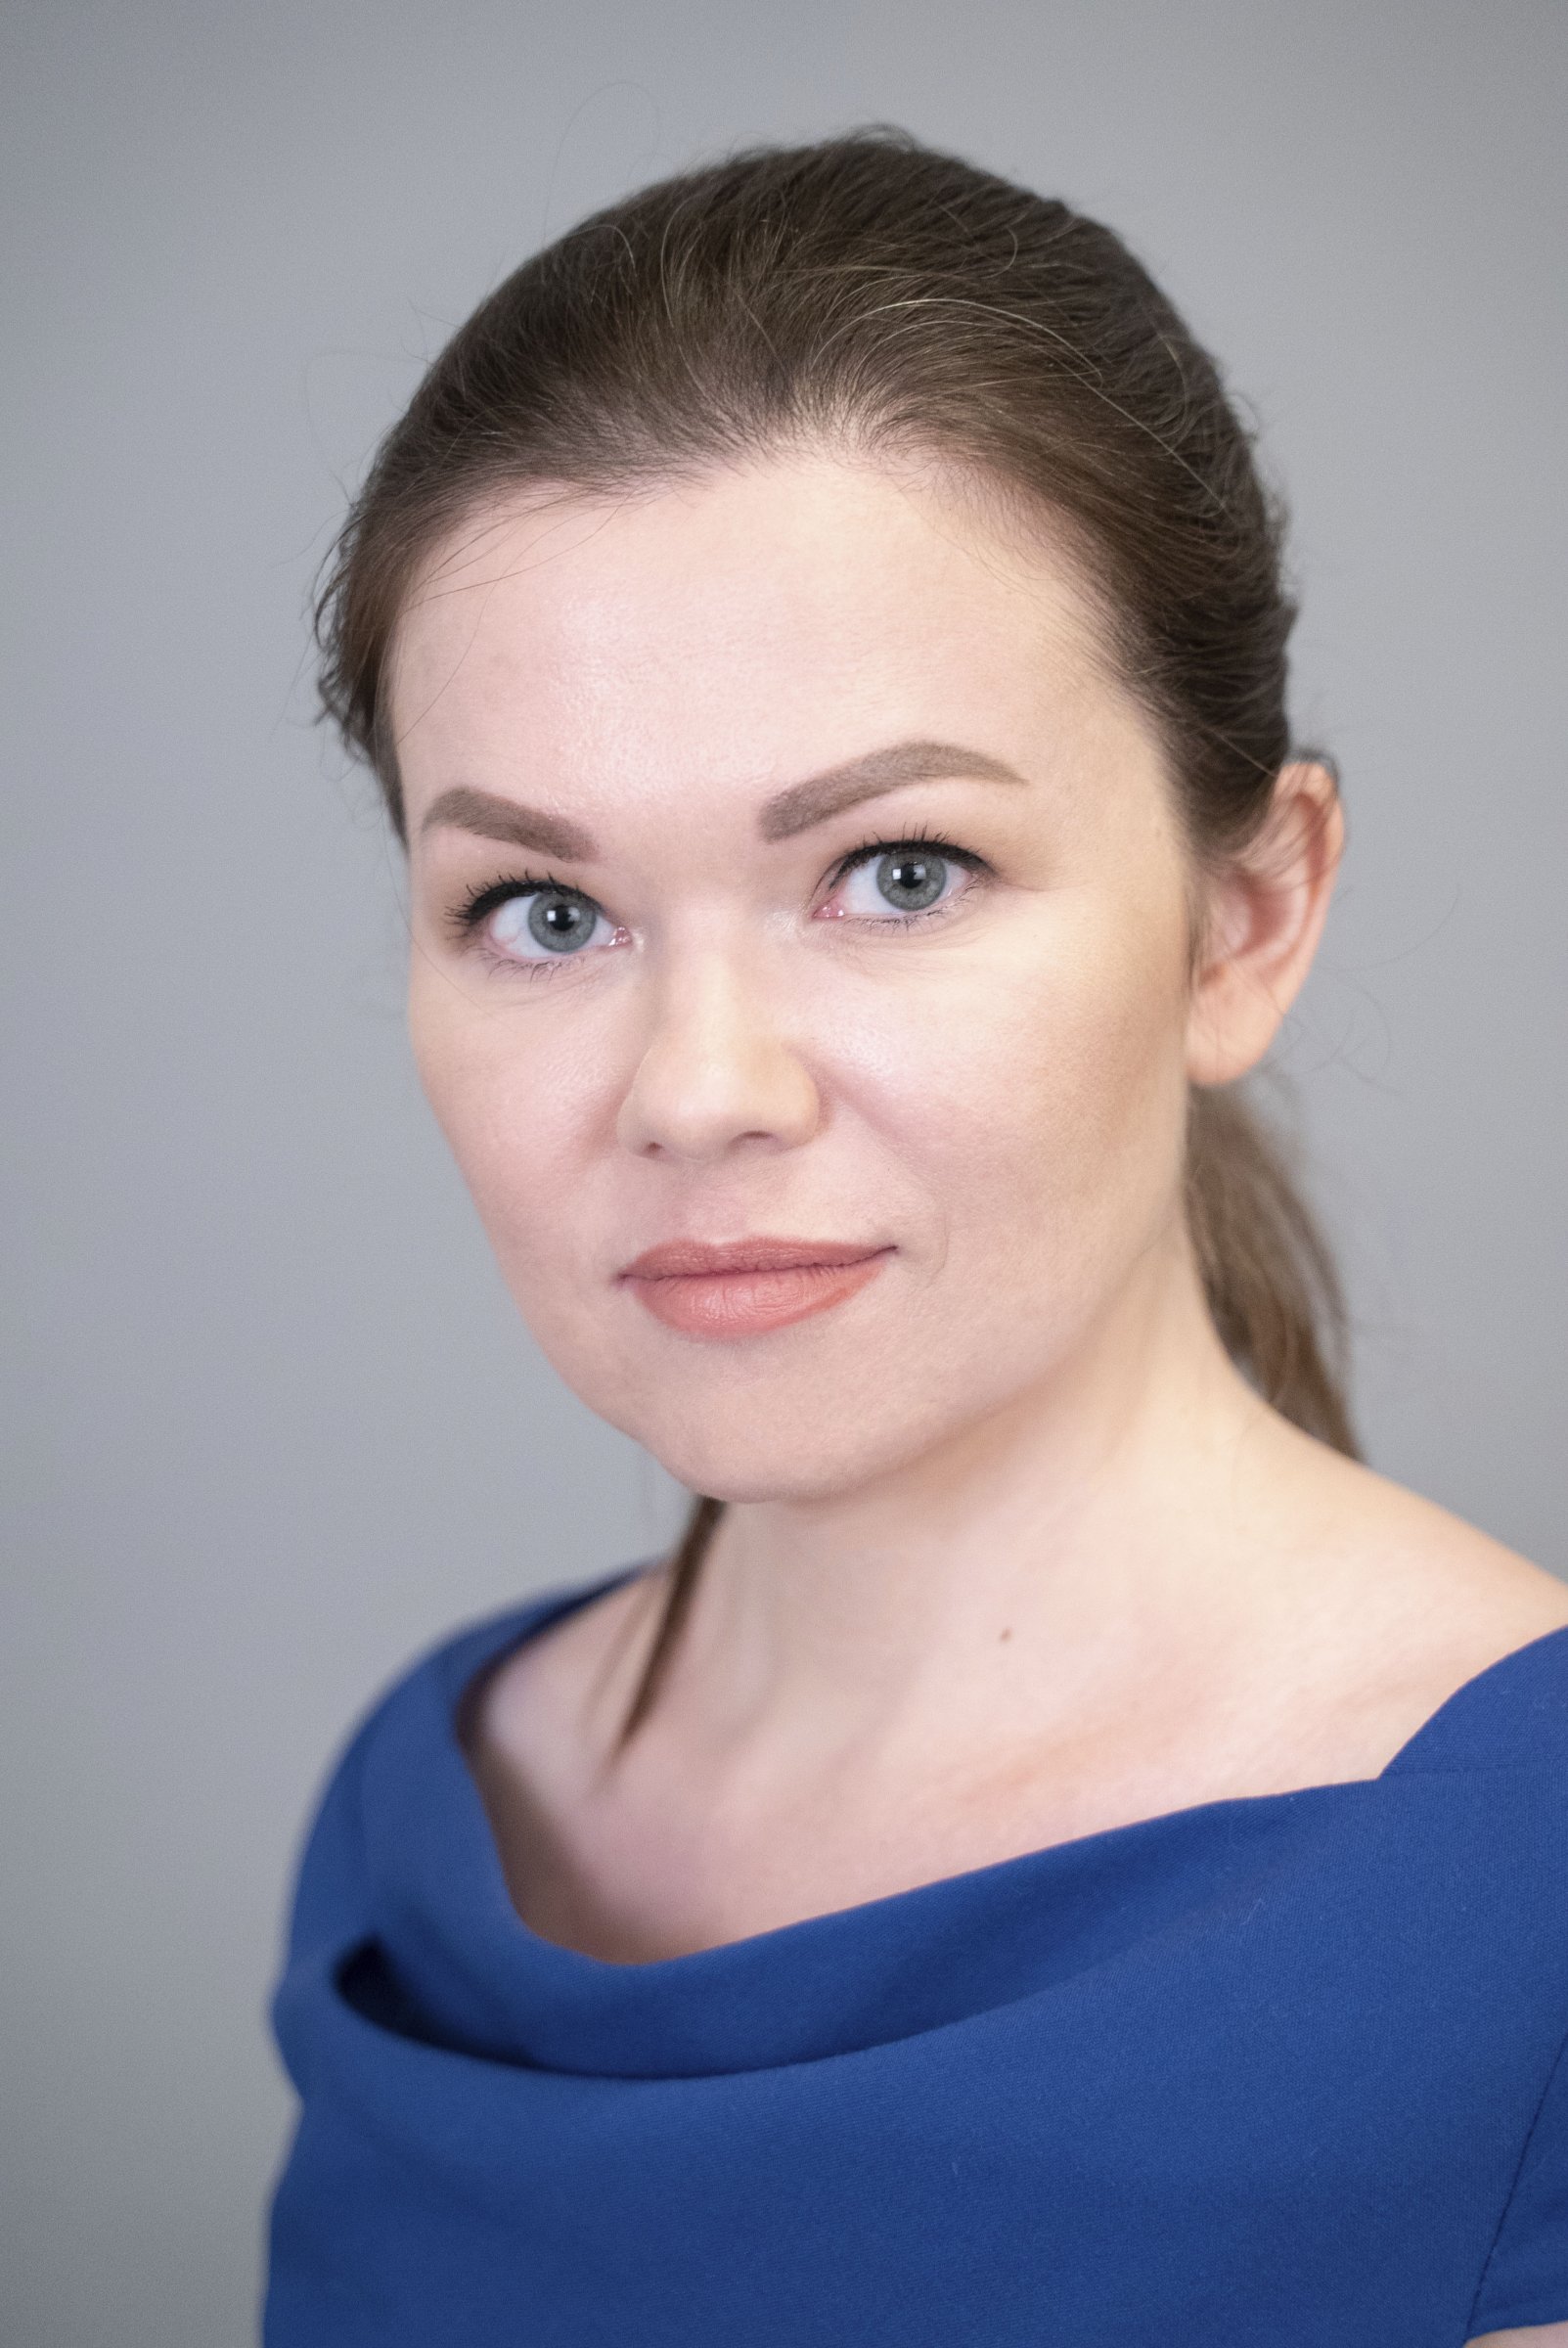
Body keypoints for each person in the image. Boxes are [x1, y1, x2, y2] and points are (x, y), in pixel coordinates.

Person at [263, 131, 1568, 2345]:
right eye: (545, 910)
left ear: (1245, 921)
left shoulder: (1530, 1915)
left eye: (897, 873)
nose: (698, 1088)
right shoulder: (427, 1812)